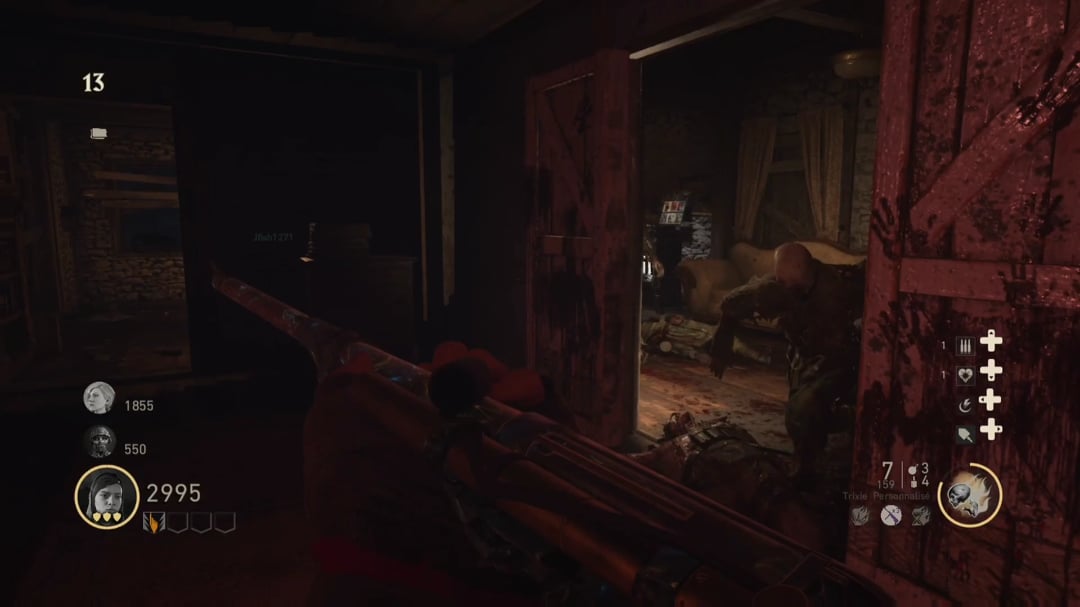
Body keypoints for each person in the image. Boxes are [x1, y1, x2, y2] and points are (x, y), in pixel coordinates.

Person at [709, 242, 863, 488]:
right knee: (801, 410)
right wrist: (722, 343)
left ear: (805, 271)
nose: (782, 287)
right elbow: (733, 304)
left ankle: (811, 467)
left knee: (803, 409)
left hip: (841, 358)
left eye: (788, 284)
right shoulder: (777, 287)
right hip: (804, 354)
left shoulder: (839, 288)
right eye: (780, 281)